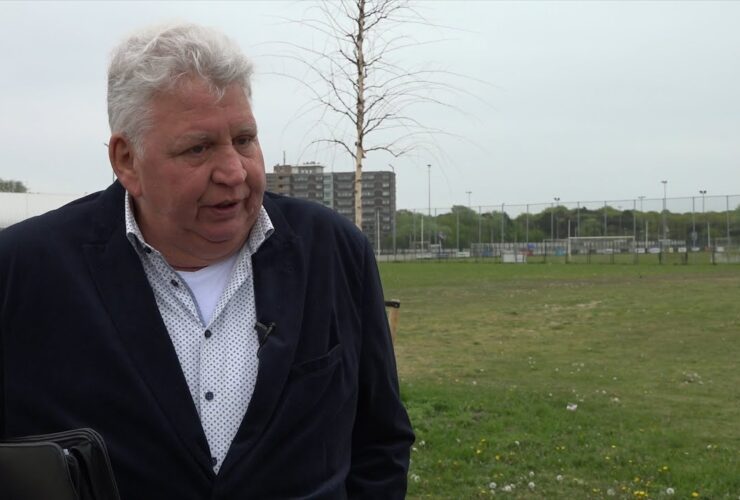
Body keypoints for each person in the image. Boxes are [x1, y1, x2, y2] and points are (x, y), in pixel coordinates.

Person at [0, 23, 413, 499]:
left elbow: (379, 441)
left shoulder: (334, 251)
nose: (234, 172)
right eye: (198, 148)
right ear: (127, 160)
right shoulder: (23, 272)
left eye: (244, 139)